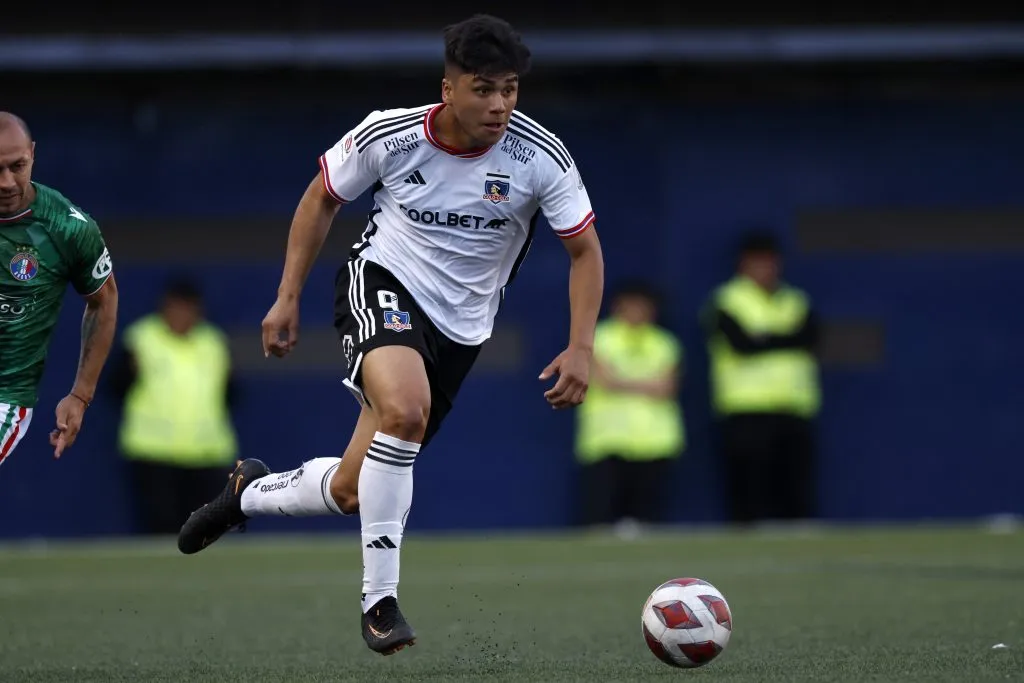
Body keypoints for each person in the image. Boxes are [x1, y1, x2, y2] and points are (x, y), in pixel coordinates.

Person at [177, 14, 604, 656]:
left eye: (510, 89)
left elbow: (585, 253)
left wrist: (581, 345)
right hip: (384, 282)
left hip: (461, 329)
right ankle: (380, 602)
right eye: (483, 89)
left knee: (353, 489)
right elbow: (322, 196)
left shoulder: (539, 156)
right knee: (404, 410)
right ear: (449, 88)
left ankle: (248, 494)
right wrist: (287, 294)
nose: (498, 105)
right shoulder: (391, 134)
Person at [0, 112, 118, 466]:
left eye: (17, 166)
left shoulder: (67, 228)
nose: (6, 182)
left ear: (32, 154)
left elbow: (104, 300)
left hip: (4, 396)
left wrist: (80, 396)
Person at [704, 231, 820, 525]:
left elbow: (809, 337)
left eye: (770, 261)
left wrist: (763, 338)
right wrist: (784, 338)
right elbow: (742, 344)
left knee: (795, 488)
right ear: (743, 264)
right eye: (758, 262)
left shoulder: (796, 300)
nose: (766, 268)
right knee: (748, 488)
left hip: (794, 407)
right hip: (746, 408)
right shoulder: (727, 300)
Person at [111, 278, 239, 535]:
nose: (181, 315)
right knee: (161, 529)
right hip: (154, 453)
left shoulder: (213, 342)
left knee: (208, 531)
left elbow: (231, 393)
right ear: (164, 308)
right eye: (176, 308)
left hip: (207, 453)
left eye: (188, 308)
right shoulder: (141, 338)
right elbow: (114, 387)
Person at [575, 280, 684, 533]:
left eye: (643, 306)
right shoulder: (598, 337)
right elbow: (605, 381)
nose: (637, 311)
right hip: (607, 440)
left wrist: (624, 381)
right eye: (631, 305)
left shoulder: (665, 342)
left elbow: (667, 388)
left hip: (655, 441)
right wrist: (648, 384)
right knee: (600, 519)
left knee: (647, 521)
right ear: (618, 307)